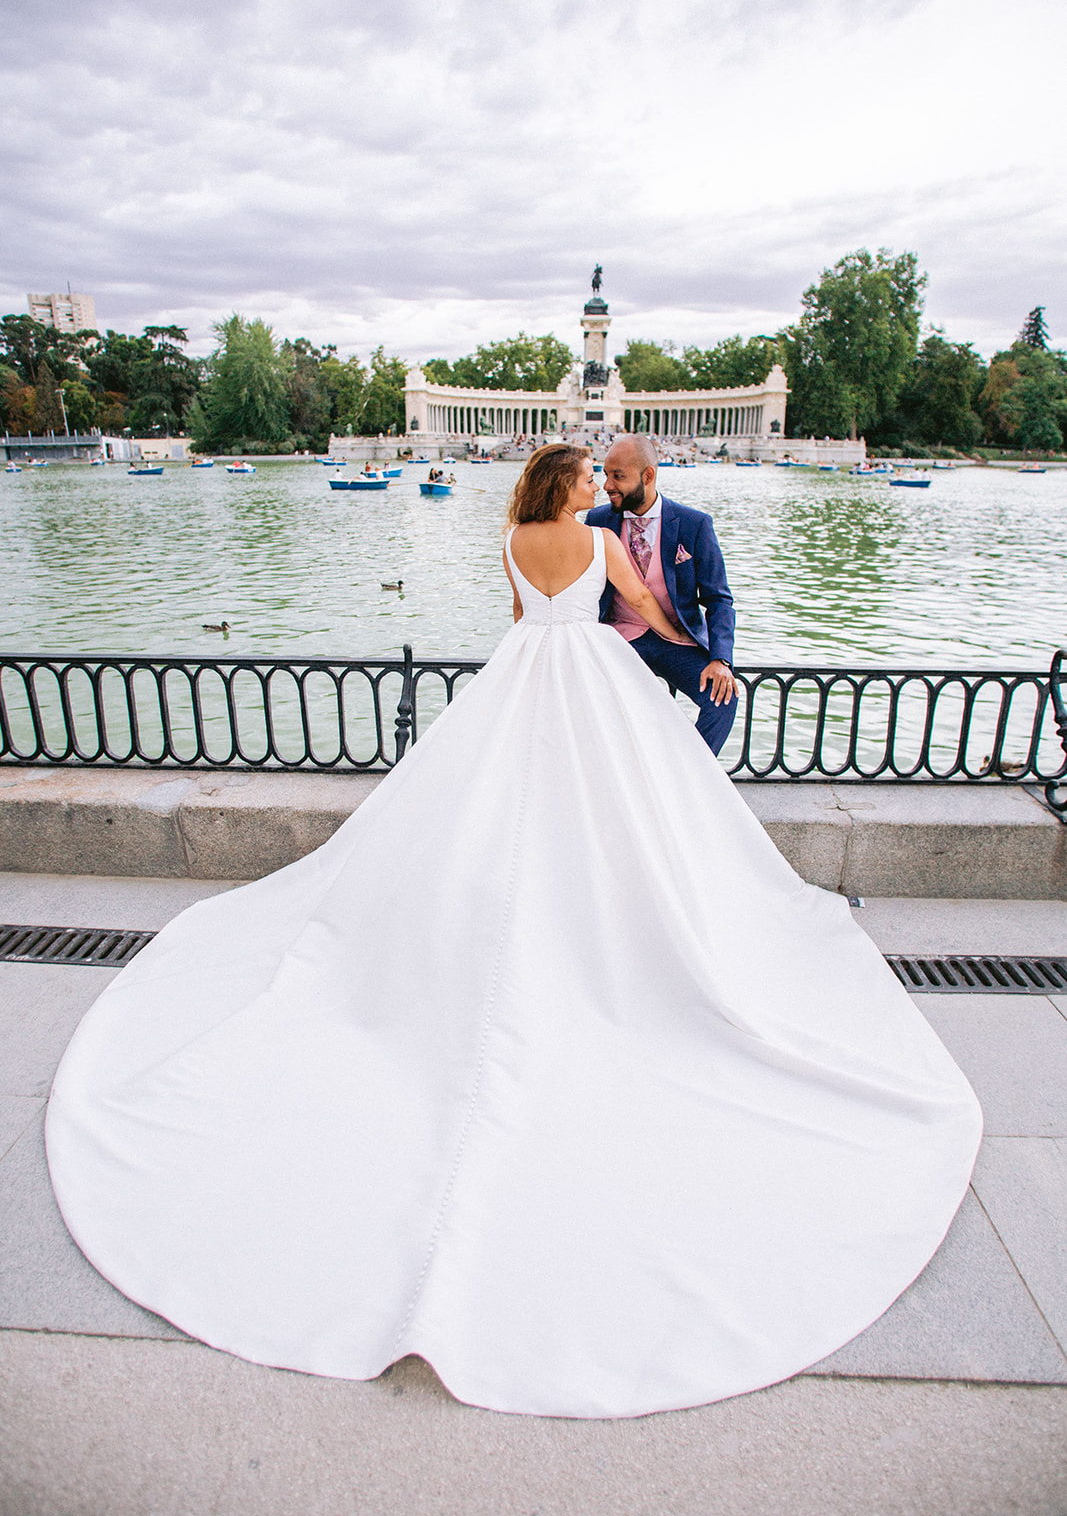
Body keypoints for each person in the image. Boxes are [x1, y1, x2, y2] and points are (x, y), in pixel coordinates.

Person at [45, 444, 981, 1421]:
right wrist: (697, 651)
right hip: (592, 682)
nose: (592, 487)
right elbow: (649, 620)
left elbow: (519, 617)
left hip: (519, 674)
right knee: (615, 823)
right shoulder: (597, 539)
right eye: (584, 475)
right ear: (568, 486)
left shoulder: (508, 538)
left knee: (489, 818)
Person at [585, 434, 738, 754]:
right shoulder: (597, 520)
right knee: (595, 704)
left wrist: (720, 658)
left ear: (648, 475)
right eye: (604, 474)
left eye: (618, 476)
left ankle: (690, 777)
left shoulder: (694, 524)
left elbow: (718, 598)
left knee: (723, 700)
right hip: (619, 638)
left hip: (677, 642)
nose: (607, 485)